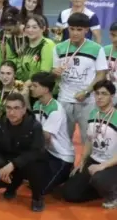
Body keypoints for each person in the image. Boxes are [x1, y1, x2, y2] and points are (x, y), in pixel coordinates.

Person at [0, 92, 48, 212]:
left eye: (16, 108)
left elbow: (36, 151)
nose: (12, 112)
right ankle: (12, 186)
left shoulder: (34, 126)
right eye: (8, 108)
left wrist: (14, 164)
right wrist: (0, 165)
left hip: (27, 161)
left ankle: (37, 197)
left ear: (24, 110)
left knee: (35, 166)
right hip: (7, 160)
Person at [62, 80, 117, 208]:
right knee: (69, 193)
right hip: (94, 159)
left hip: (112, 163)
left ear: (112, 96)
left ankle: (113, 194)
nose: (99, 97)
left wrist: (103, 166)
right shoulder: (93, 114)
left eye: (104, 94)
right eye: (97, 93)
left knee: (98, 178)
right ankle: (99, 189)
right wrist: (82, 161)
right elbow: (89, 140)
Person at [53, 12, 108, 140]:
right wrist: (55, 73)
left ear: (86, 30)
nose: (75, 33)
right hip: (64, 99)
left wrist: (86, 91)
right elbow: (54, 72)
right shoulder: (59, 48)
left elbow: (101, 74)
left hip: (88, 101)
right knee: (62, 139)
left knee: (88, 139)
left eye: (79, 29)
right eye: (72, 29)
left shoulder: (96, 48)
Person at [29, 72, 75, 194]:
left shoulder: (55, 110)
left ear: (45, 89)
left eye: (35, 86)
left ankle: (66, 173)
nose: (31, 88)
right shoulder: (37, 104)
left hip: (61, 157)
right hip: (48, 152)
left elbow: (45, 137)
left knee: (41, 190)